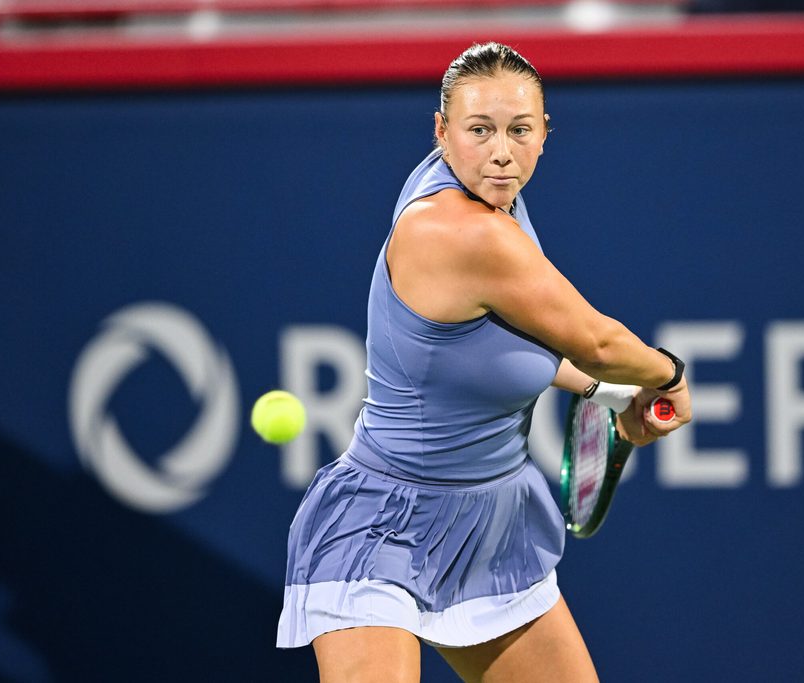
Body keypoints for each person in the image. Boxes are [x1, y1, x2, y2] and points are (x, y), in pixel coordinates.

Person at [276, 42, 692, 682]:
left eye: (519, 130)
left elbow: (508, 349)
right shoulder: (459, 231)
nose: (501, 151)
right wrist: (667, 375)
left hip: (493, 530)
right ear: (441, 132)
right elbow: (599, 343)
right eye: (479, 130)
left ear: (545, 133)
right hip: (384, 525)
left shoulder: (494, 199)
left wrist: (606, 392)